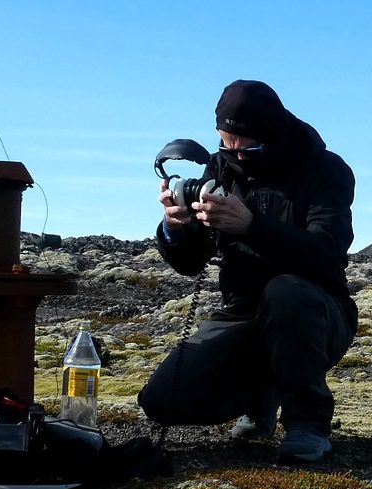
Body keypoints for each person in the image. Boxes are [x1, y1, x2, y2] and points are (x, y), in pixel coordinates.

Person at [137, 80, 358, 464]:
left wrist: (252, 226)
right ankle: (262, 394)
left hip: (318, 314)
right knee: (160, 401)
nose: (236, 154)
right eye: (226, 142)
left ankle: (308, 424)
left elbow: (327, 253)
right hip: (243, 315)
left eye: (247, 146)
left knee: (285, 292)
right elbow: (190, 265)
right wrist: (177, 227)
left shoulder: (325, 171)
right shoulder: (221, 167)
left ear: (273, 134)